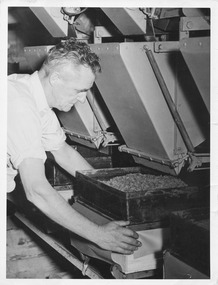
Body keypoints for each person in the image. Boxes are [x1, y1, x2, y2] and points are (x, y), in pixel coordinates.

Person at [7, 38, 141, 255]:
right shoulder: (19, 105)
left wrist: (109, 189)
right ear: (56, 79)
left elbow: (63, 153)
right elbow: (36, 190)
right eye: (79, 90)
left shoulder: (34, 99)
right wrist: (99, 235)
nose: (81, 99)